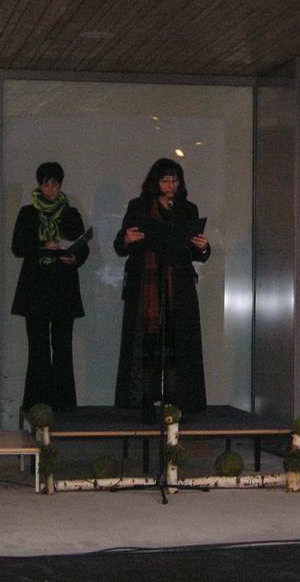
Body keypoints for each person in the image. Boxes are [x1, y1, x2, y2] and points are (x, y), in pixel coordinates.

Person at [114, 158, 210, 423]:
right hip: (147, 287)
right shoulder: (138, 206)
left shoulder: (188, 209)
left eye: (175, 180)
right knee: (147, 343)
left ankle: (174, 402)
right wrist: (126, 239)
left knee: (177, 345)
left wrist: (203, 247)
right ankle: (146, 400)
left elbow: (197, 253)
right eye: (166, 180)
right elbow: (121, 245)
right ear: (155, 182)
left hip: (178, 286)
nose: (171, 186)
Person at [11, 163, 89, 411]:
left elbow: (82, 246)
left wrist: (74, 257)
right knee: (38, 346)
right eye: (46, 184)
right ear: (39, 185)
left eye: (55, 184)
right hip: (36, 287)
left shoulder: (71, 213)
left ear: (61, 185)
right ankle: (37, 402)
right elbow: (17, 247)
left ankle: (64, 404)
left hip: (62, 285)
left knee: (63, 345)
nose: (51, 189)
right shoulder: (27, 213)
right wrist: (44, 246)